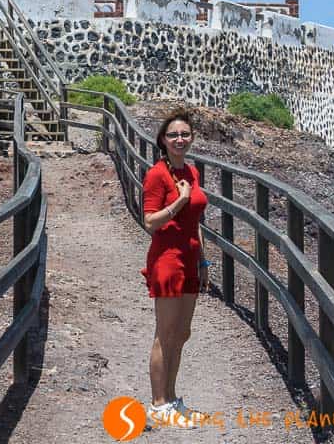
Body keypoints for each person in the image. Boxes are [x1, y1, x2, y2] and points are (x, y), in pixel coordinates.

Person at [140, 108, 210, 428]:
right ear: (163, 141)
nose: (180, 139)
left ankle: (171, 398)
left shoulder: (192, 172)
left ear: (191, 138)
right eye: (173, 135)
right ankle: (158, 404)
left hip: (191, 259)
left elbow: (196, 222)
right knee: (165, 334)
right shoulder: (157, 175)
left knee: (182, 334)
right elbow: (151, 221)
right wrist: (178, 202)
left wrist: (204, 260)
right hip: (167, 259)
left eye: (185, 134)